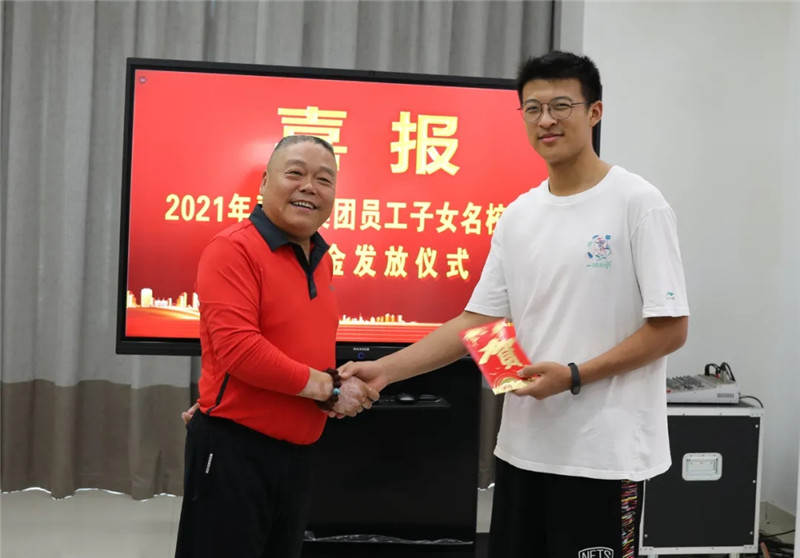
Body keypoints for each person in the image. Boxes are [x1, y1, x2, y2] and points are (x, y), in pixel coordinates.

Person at [339, 51, 689, 558]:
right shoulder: (520, 214)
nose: (546, 120)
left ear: (594, 112)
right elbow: (479, 322)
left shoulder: (638, 203)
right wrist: (385, 371)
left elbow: (670, 328)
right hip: (524, 450)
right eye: (533, 108)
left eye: (561, 105)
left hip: (604, 456)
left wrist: (573, 375)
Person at [175, 135, 379, 558]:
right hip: (236, 452)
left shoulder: (321, 257)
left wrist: (333, 381)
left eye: (324, 179)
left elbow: (299, 344)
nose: (309, 187)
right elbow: (240, 351)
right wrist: (330, 389)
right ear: (265, 182)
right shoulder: (233, 249)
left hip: (297, 455)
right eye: (295, 173)